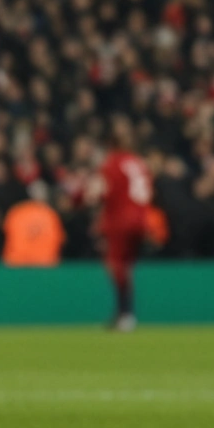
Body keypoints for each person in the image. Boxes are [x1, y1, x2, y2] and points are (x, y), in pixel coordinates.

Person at [93, 123, 154, 330]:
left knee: (115, 264)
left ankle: (125, 314)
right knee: (127, 266)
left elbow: (103, 193)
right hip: (142, 219)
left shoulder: (112, 163)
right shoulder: (139, 162)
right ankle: (124, 313)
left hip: (120, 219)